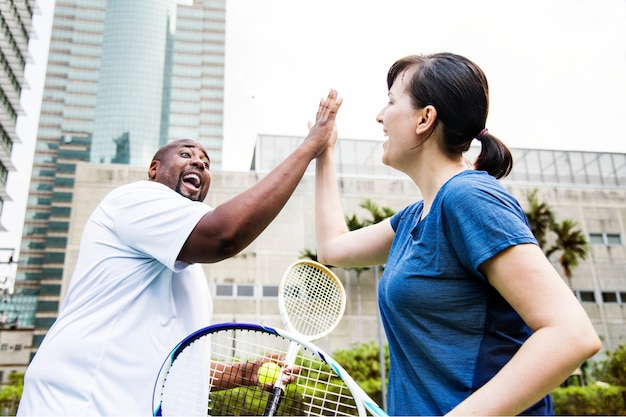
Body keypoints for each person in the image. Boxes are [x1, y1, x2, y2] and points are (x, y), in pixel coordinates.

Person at [17, 90, 342, 415]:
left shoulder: (187, 270)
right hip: (79, 403)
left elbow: (174, 364)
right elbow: (224, 235)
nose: (199, 162)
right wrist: (310, 146)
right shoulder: (135, 199)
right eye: (186, 154)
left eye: (205, 161)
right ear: (154, 169)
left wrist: (245, 373)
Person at [314, 53, 601, 416]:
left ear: (425, 118)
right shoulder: (414, 218)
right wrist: (324, 152)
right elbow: (333, 248)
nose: (379, 115)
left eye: (390, 101)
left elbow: (571, 335)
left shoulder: (469, 198)